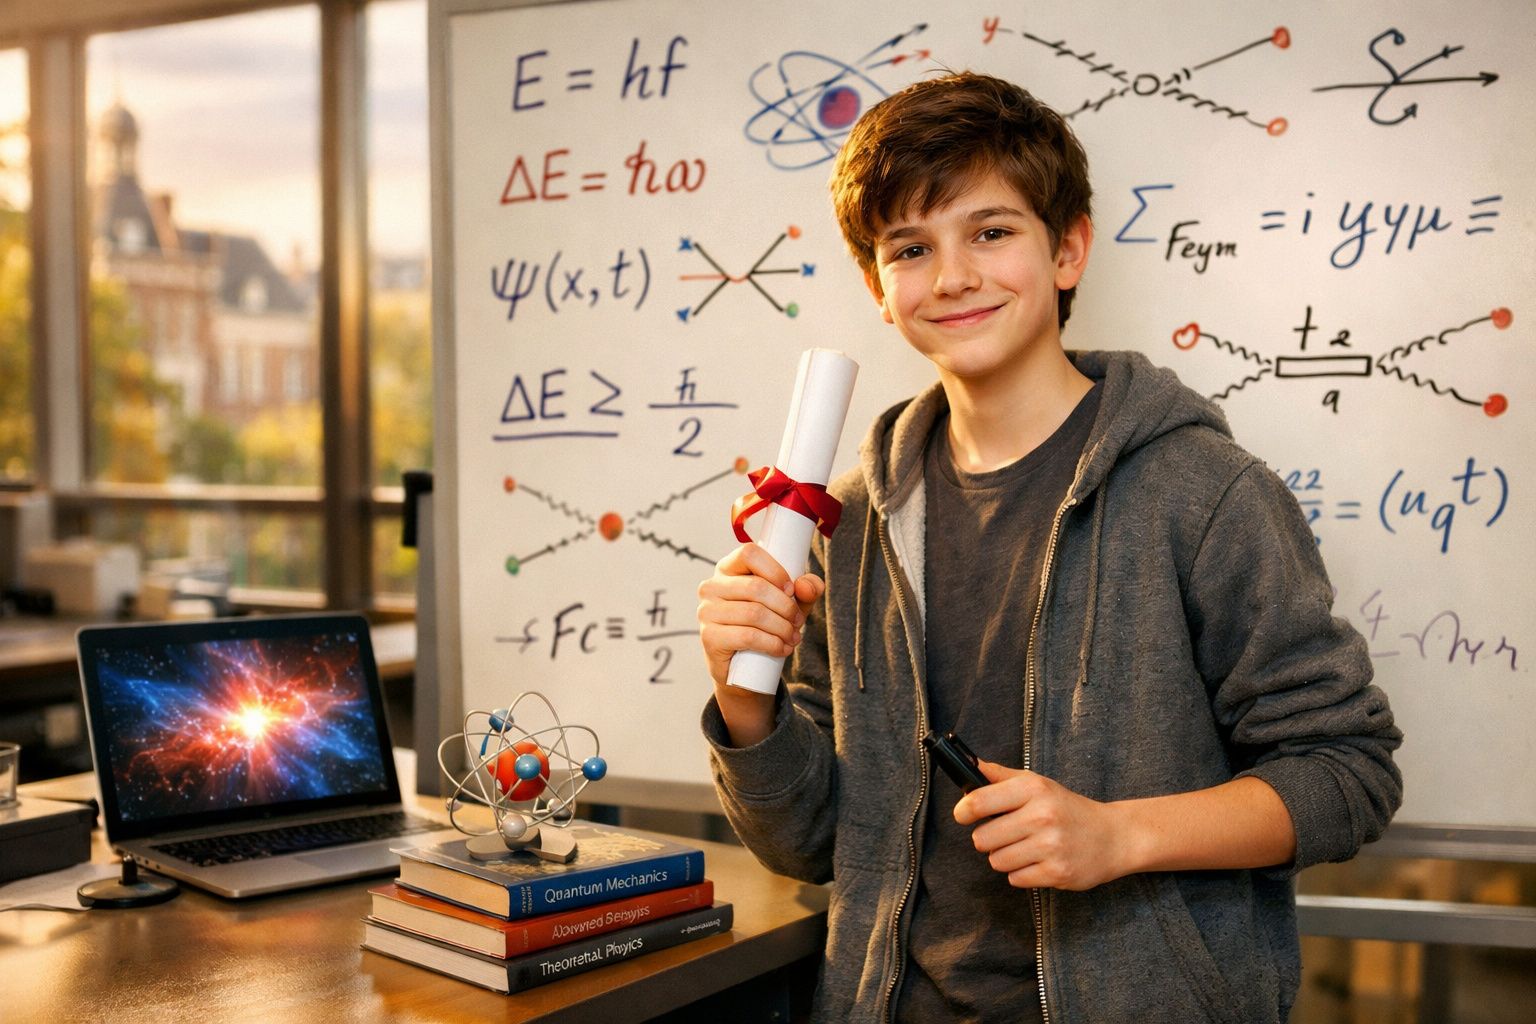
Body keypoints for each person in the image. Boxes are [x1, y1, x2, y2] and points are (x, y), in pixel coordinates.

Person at [696, 71, 1402, 1024]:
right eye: (911, 247)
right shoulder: (852, 519)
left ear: (1068, 250)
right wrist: (749, 708)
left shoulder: (1203, 494)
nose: (951, 275)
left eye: (991, 232)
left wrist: (1119, 836)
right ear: (877, 286)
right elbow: (817, 843)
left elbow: (1346, 773)